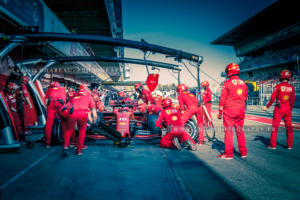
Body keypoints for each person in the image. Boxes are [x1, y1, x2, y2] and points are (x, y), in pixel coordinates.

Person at [218, 63, 248, 159]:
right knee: (240, 131)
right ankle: (243, 152)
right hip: (241, 110)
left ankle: (228, 153)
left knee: (228, 132)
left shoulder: (226, 83)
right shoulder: (243, 83)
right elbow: (245, 97)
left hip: (229, 111)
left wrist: (220, 111)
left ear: (229, 71)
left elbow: (222, 98)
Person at [263, 70, 295, 149]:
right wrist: (290, 109)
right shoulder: (292, 88)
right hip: (288, 109)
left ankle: (273, 145)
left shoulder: (278, 86)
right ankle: (289, 145)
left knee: (275, 127)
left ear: (281, 77)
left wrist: (267, 106)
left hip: (279, 108)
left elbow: (273, 98)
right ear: (289, 77)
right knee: (289, 127)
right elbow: (292, 100)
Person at [62, 88, 97, 156]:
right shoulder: (89, 98)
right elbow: (93, 111)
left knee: (68, 130)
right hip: (83, 114)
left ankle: (65, 146)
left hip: (72, 113)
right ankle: (79, 150)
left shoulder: (74, 98)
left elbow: (67, 106)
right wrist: (94, 120)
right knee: (82, 130)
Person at [44, 81, 66, 147]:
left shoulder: (49, 90)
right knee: (64, 122)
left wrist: (46, 108)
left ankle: (47, 143)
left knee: (48, 124)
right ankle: (65, 140)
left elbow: (46, 101)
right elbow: (64, 100)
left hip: (51, 105)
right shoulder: (62, 90)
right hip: (60, 105)